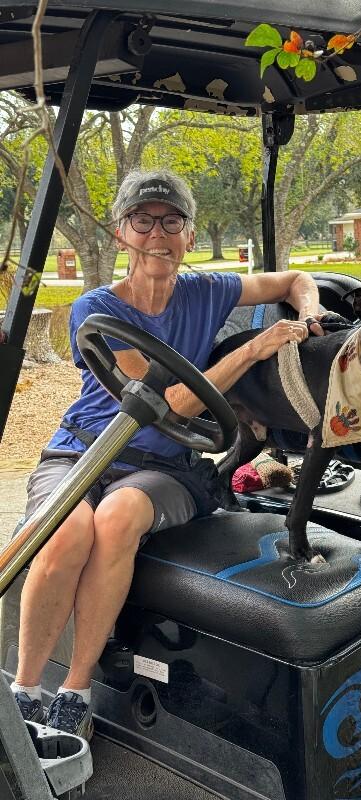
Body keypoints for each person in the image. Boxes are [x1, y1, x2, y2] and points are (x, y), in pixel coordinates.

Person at [11, 169, 327, 740]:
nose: (157, 233)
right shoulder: (95, 308)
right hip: (83, 451)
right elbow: (164, 404)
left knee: (117, 519)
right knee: (65, 532)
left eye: (171, 220)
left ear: (189, 234)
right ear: (120, 233)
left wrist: (309, 313)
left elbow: (295, 279)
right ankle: (25, 691)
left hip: (167, 467)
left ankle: (76, 690)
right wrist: (251, 351)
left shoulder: (209, 291)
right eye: (142, 220)